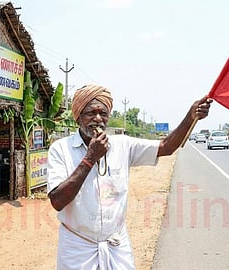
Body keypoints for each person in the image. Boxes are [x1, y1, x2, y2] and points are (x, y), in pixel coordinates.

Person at [47, 84, 212, 269]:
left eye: (103, 113)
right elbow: (57, 201)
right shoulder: (61, 149)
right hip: (77, 249)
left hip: (116, 244)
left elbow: (166, 147)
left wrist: (190, 117)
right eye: (90, 113)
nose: (98, 119)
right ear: (78, 117)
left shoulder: (122, 145)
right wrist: (90, 158)